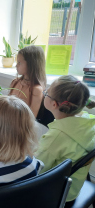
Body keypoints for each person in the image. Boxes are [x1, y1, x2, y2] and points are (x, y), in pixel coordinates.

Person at [36, 75, 95, 207]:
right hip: (73, 189)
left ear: (54, 104)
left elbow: (36, 168)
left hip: (56, 194)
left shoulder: (57, 137)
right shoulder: (89, 123)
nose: (44, 93)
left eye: (46, 93)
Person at [9, 45, 47, 117]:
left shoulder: (36, 90)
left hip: (22, 126)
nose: (16, 65)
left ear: (31, 65)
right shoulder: (15, 82)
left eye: (19, 63)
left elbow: (31, 118)